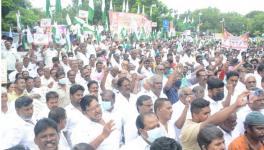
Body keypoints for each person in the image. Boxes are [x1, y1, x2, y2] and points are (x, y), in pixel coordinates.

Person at [180, 91, 248, 150]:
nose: (209, 116)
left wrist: (237, 107)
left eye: (209, 112)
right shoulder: (189, 129)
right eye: (205, 113)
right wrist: (235, 105)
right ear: (195, 115)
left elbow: (220, 114)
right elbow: (213, 120)